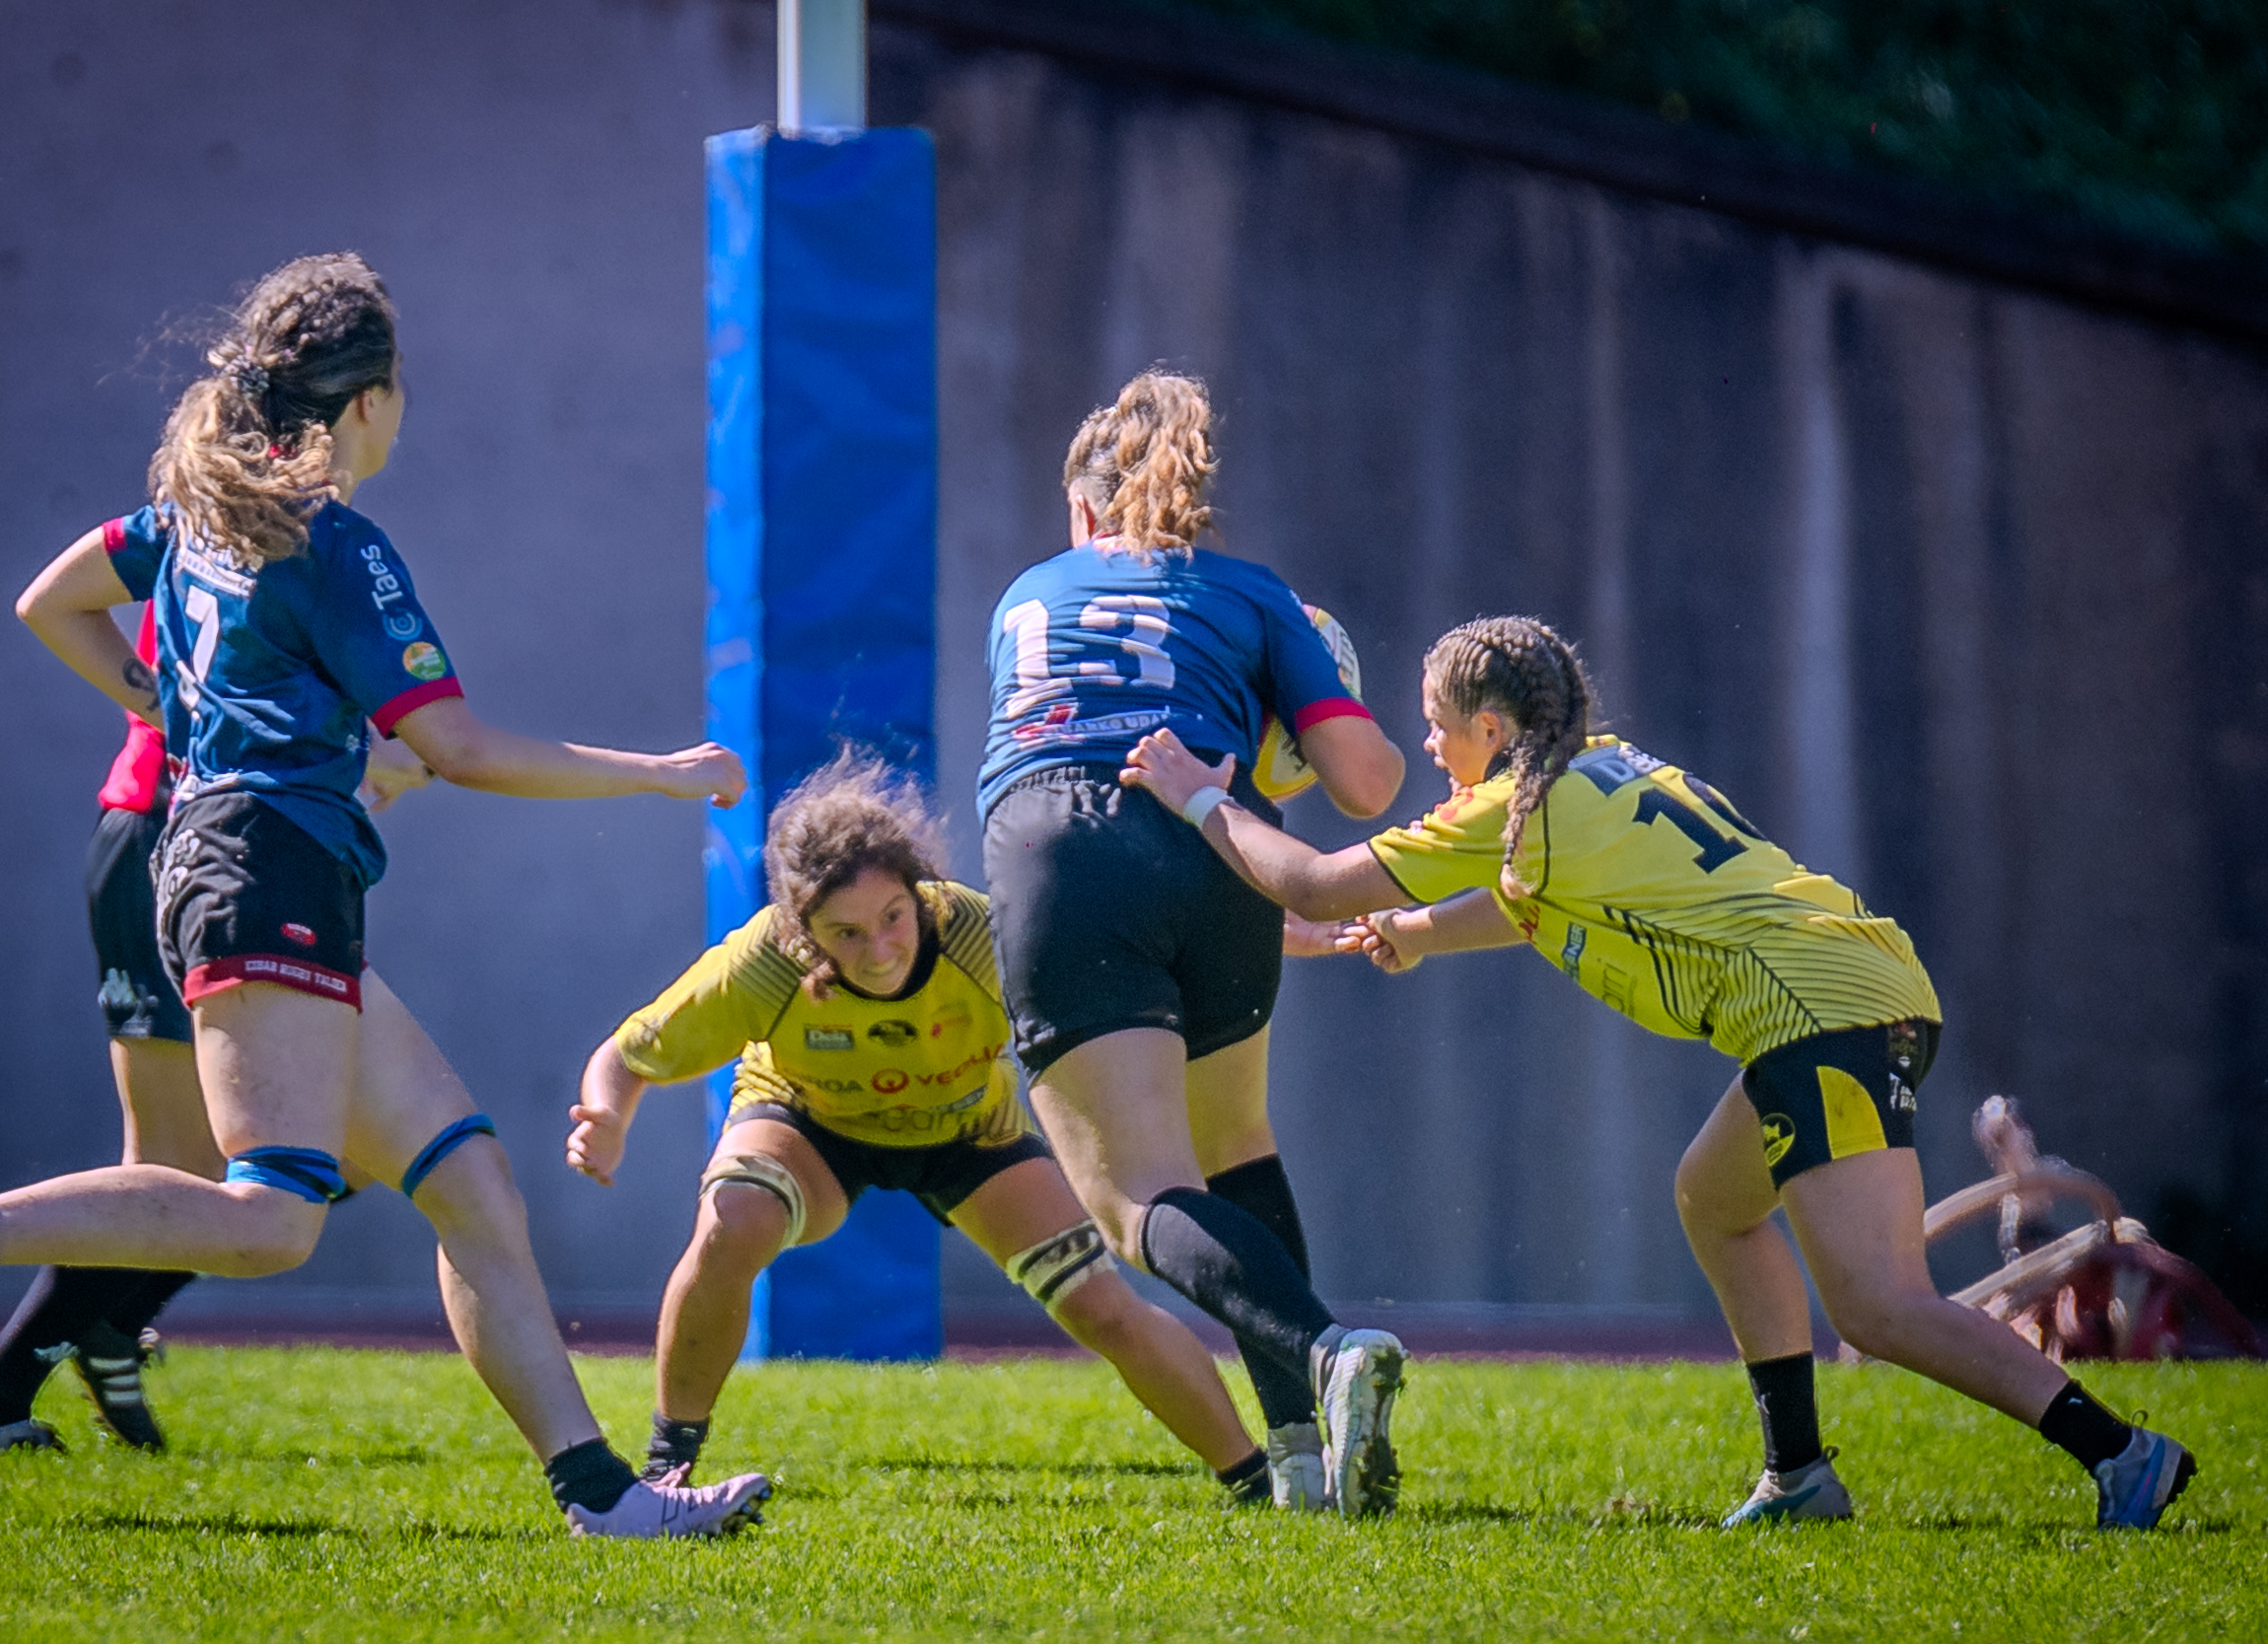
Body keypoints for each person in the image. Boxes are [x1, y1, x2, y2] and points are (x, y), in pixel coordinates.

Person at [0, 252, 769, 1537]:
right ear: (366, 402)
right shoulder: (335, 542)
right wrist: (660, 774)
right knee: (273, 1215)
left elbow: (51, 601)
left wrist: (174, 711)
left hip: (241, 862)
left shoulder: (201, 505)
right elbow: (458, 747)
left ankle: (602, 1496)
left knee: (467, 1179)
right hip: (260, 872)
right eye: (400, 390)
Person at [1118, 612, 2199, 1532]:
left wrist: (1200, 798)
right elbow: (1527, 896)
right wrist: (1419, 933)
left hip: (1820, 1011)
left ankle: (2120, 1453)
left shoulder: (1517, 802)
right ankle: (1797, 1473)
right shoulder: (1597, 766)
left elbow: (1313, 883)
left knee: (1877, 1303)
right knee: (1713, 1199)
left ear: (1491, 727)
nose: (1428, 742)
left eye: (1436, 722)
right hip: (1849, 987)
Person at [566, 751, 1270, 1499]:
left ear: (918, 891)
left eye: (892, 918)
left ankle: (1255, 1478)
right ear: (803, 928)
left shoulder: (983, 937)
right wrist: (606, 1116)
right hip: (810, 1125)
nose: (878, 952)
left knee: (1099, 1302)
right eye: (844, 933)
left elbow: (1122, 975)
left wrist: (1261, 929)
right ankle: (664, 1471)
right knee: (732, 1219)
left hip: (969, 1133)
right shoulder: (764, 962)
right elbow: (625, 1055)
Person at [975, 370, 1411, 1515]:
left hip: (1065, 844)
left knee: (1135, 1201)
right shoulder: (1256, 592)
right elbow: (1367, 784)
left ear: (1081, 508)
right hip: (1221, 842)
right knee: (1233, 1142)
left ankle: (1328, 1351)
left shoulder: (1026, 593)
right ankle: (1301, 1456)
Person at [0, 651, 433, 1456]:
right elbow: (51, 607)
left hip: (262, 858)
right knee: (175, 1164)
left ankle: (109, 1322)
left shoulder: (316, 584)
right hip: (186, 843)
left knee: (357, 1148)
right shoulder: (222, 572)